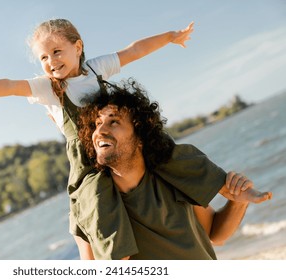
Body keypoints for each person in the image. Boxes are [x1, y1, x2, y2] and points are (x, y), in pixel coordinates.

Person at [0, 18, 244, 259]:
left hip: (118, 148)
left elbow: (134, 50)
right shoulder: (48, 88)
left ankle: (226, 188)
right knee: (94, 197)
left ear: (78, 46)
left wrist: (170, 37)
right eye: (43, 57)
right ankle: (116, 257)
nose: (51, 61)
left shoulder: (96, 69)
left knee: (170, 155)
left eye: (57, 51)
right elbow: (8, 84)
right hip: (87, 159)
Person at [76, 78, 272, 259]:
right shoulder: (93, 203)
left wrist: (236, 202)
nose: (100, 132)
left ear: (140, 137)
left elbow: (215, 234)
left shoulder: (171, 176)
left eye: (114, 122)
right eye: (97, 124)